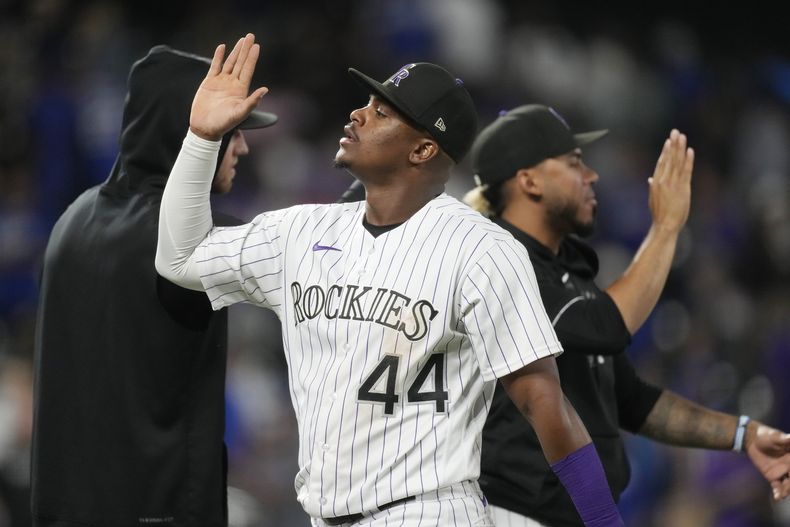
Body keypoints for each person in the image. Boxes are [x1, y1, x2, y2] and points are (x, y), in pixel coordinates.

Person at [155, 33, 625, 526]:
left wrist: (604, 521)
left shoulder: (481, 248)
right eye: (367, 104)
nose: (358, 115)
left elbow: (542, 399)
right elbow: (181, 260)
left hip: (428, 511)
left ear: (422, 149)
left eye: (382, 112)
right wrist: (202, 139)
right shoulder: (300, 231)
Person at [463, 104, 790, 526]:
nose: (591, 175)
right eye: (573, 163)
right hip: (508, 513)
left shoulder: (564, 274)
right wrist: (666, 228)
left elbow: (632, 400)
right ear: (529, 181)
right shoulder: (497, 260)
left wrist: (744, 434)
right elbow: (608, 326)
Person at [31, 45, 277, 527]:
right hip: (157, 508)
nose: (243, 148)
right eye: (232, 131)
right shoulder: (200, 239)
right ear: (188, 133)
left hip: (62, 509)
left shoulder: (73, 218)